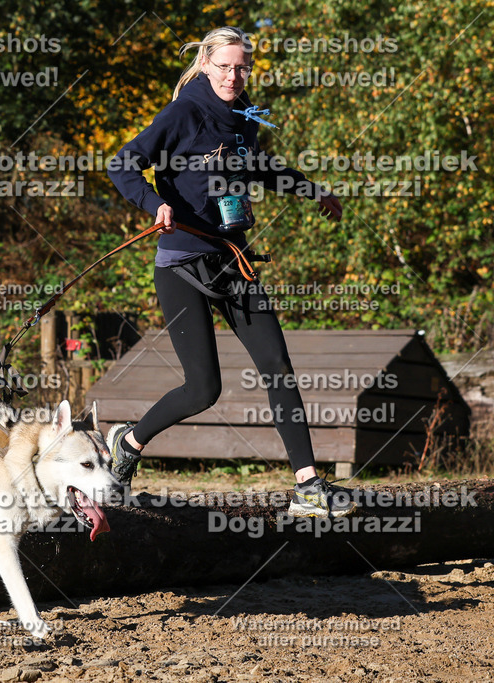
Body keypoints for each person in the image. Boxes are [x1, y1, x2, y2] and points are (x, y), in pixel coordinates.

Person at [105, 26, 356, 518]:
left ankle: (307, 485)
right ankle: (129, 442)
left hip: (232, 259)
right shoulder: (184, 113)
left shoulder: (243, 119)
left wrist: (311, 190)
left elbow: (259, 167)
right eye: (225, 66)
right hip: (181, 263)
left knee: (277, 365)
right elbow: (123, 164)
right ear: (206, 65)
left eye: (242, 67)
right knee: (203, 389)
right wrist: (154, 204)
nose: (234, 76)